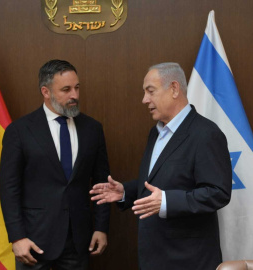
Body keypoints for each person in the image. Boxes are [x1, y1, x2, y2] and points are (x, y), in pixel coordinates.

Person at [90, 63, 232, 270]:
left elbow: (218, 193)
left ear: (174, 89)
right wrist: (125, 192)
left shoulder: (206, 134)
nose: (144, 100)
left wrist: (167, 201)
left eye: (150, 91)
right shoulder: (155, 133)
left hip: (188, 259)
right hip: (153, 256)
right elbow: (160, 181)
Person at [0, 59, 110, 270]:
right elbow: (8, 188)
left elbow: (102, 183)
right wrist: (17, 237)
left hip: (78, 241)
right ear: (46, 91)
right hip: (33, 241)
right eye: (66, 90)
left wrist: (101, 228)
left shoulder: (92, 129)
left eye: (77, 88)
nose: (74, 95)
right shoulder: (20, 131)